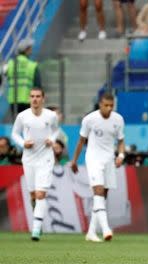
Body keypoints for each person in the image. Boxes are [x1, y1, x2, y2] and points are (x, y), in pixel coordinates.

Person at [70, 93, 125, 242]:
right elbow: (81, 141)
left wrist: (121, 156)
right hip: (93, 158)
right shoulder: (89, 119)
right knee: (98, 192)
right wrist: (74, 160)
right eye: (106, 105)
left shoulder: (118, 119)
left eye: (111, 106)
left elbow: (120, 141)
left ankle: (91, 232)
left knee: (102, 196)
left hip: (109, 159)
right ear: (100, 104)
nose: (109, 108)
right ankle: (106, 229)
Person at [11, 88, 59, 241]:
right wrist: (23, 143)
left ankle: (36, 229)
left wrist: (51, 139)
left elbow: (56, 131)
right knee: (33, 195)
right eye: (32, 96)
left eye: (38, 96)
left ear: (43, 99)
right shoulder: (22, 116)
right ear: (29, 98)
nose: (35, 99)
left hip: (45, 158)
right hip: (29, 159)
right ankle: (37, 213)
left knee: (40, 194)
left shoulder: (51, 116)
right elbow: (14, 134)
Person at [6, 38, 41, 117]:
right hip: (28, 100)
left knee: (16, 125)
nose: (31, 50)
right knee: (27, 125)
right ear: (27, 50)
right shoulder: (32, 65)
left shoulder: (10, 64)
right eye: (30, 48)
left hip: (13, 100)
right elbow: (38, 86)